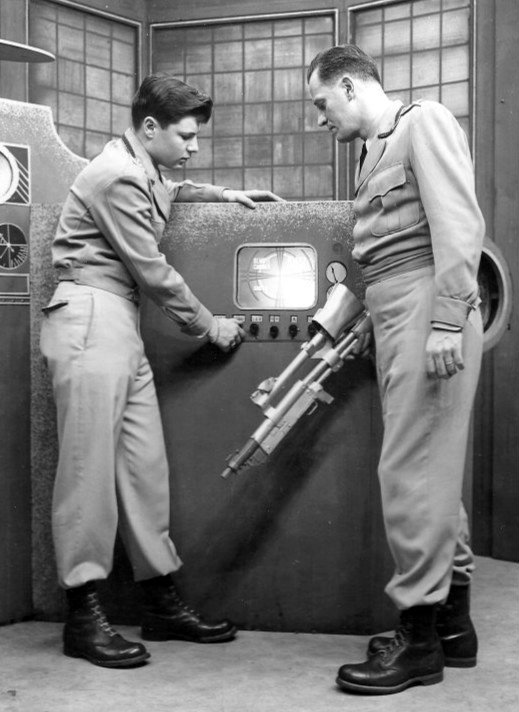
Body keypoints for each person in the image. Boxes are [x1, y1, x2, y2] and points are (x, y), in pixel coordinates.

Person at [39, 74, 282, 668]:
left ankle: (160, 602)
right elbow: (153, 272)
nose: (194, 146)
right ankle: (83, 615)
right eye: (186, 136)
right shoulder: (115, 175)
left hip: (116, 324)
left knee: (143, 468)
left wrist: (224, 195)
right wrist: (210, 326)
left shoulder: (137, 167)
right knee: (88, 473)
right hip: (91, 319)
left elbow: (169, 188)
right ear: (150, 128)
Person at [307, 45, 484, 695]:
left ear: (350, 86)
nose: (320, 118)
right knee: (430, 474)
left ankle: (418, 640)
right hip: (396, 313)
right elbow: (386, 253)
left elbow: (458, 225)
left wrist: (446, 320)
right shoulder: (373, 152)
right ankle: (452, 628)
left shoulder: (422, 122)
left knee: (410, 473)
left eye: (322, 103)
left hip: (426, 309)